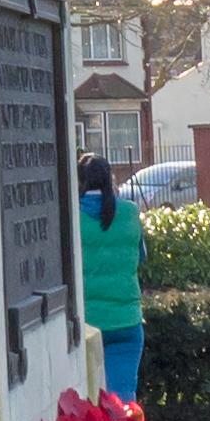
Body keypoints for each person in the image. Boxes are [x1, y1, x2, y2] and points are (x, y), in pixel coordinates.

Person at [76, 156, 144, 402]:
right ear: (109, 179)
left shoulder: (72, 217)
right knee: (123, 400)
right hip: (126, 320)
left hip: (86, 323)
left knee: (86, 405)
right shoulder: (129, 212)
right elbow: (140, 256)